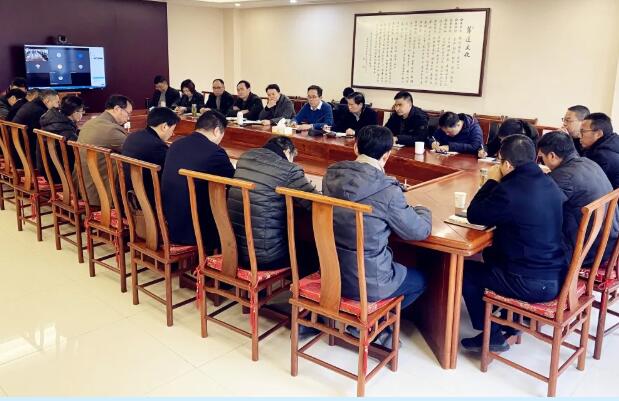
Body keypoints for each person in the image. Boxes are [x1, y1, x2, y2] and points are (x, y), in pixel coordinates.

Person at [322, 125, 432, 345]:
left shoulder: (331, 175)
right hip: (368, 282)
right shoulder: (388, 190)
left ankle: (362, 319)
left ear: (355, 147)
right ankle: (374, 322)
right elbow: (419, 231)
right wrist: (423, 211)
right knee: (421, 280)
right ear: (387, 155)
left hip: (330, 273)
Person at [461, 135, 567, 353]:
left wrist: (491, 181)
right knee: (490, 255)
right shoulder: (549, 182)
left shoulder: (509, 191)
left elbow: (474, 214)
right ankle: (508, 320)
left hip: (530, 282)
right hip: (555, 274)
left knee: (464, 272)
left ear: (507, 165)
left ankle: (491, 334)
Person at [228, 136, 316, 269]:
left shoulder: (245, 157)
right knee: (308, 249)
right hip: (265, 257)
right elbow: (315, 204)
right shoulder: (289, 169)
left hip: (233, 249)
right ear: (287, 151)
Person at [538, 131, 618, 266]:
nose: (543, 161)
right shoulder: (588, 163)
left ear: (552, 156)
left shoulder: (563, 176)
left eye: (542, 157)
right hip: (607, 244)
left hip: (586, 252)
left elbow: (537, 205)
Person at [162, 110, 234, 250]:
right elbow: (233, 183)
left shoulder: (176, 145)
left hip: (170, 223)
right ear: (217, 131)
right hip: (196, 231)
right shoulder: (215, 152)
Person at [75, 95, 132, 206]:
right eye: (128, 113)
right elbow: (134, 151)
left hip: (82, 185)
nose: (128, 118)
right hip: (100, 191)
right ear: (117, 109)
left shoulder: (90, 123)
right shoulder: (111, 129)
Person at [121, 107, 179, 206]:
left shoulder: (133, 136)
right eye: (172, 129)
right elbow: (169, 176)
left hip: (128, 195)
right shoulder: (157, 146)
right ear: (164, 126)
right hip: (147, 202)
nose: (172, 134)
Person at [39, 95, 84, 182]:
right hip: (59, 174)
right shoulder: (66, 131)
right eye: (82, 111)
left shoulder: (52, 118)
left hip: (47, 169)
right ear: (74, 112)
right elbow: (80, 151)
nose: (82, 114)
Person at [13, 89, 60, 166]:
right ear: (47, 101)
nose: (58, 106)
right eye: (57, 102)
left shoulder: (31, 104)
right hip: (26, 155)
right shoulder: (40, 111)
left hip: (17, 150)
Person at [581, 113, 619, 189]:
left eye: (583, 131)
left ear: (598, 134)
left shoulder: (602, 156)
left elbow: (586, 182)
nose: (579, 135)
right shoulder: (612, 142)